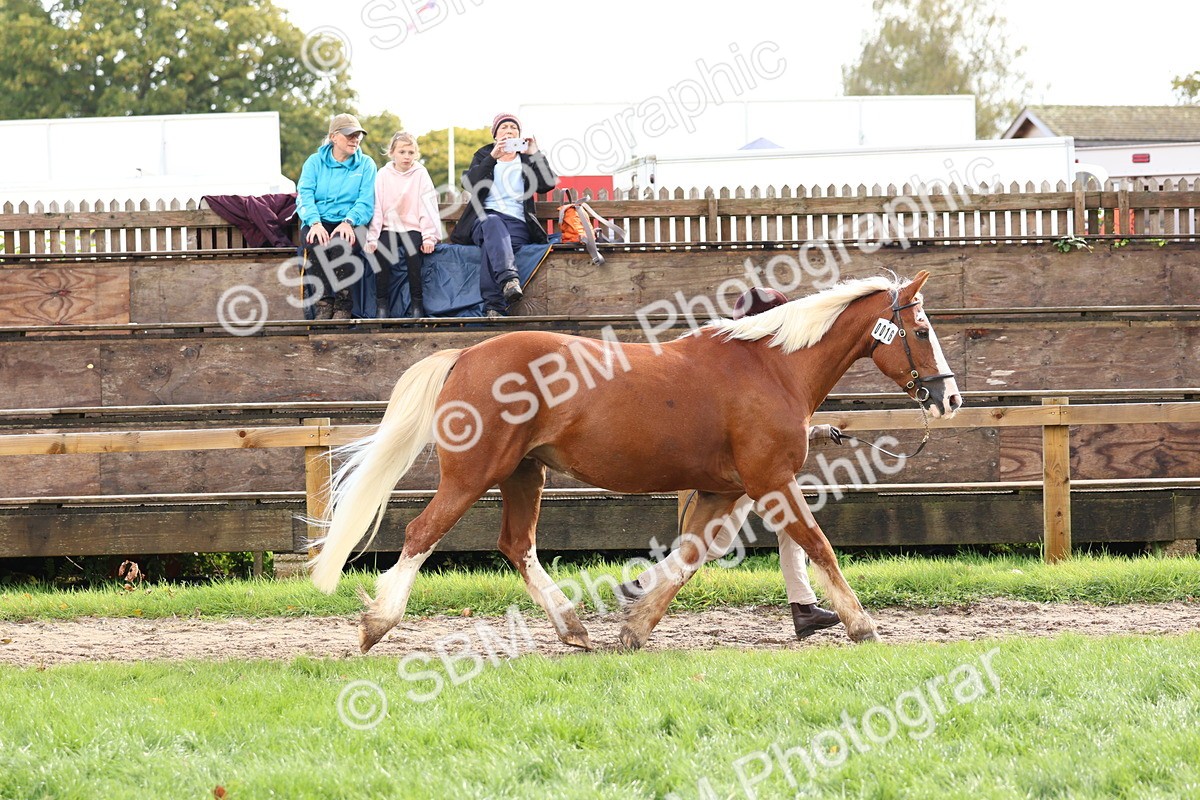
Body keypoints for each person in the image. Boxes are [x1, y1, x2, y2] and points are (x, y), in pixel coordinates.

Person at [616, 285, 843, 640]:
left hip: (751, 471)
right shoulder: (740, 363)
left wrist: (818, 430)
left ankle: (803, 607)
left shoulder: (752, 366)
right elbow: (754, 430)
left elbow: (768, 429)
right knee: (716, 546)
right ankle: (642, 584)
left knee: (790, 530)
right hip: (736, 476)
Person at [449, 112, 557, 319]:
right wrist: (492, 158)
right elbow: (470, 184)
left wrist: (535, 153)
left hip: (517, 222)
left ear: (519, 135)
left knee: (493, 248)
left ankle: (494, 307)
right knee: (492, 222)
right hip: (483, 220)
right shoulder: (484, 155)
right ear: (495, 135)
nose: (509, 131)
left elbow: (547, 184)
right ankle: (509, 279)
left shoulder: (526, 158)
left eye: (513, 128)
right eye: (504, 128)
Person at [296, 113, 376, 320]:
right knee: (315, 241)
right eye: (350, 135)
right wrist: (314, 222)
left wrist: (349, 222)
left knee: (343, 242)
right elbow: (304, 195)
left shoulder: (366, 164)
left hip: (351, 221)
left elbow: (366, 200)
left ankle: (343, 306)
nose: (355, 139)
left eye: (358, 135)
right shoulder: (314, 162)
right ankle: (323, 305)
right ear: (333, 137)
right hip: (318, 220)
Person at [364, 132, 441, 318]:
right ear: (392, 153)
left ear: (416, 154)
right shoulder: (383, 174)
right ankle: (382, 305)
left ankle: (417, 304)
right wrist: (372, 237)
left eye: (411, 152)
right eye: (402, 152)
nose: (407, 156)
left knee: (413, 255)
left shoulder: (421, 174)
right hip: (389, 227)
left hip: (412, 227)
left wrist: (429, 236)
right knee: (381, 253)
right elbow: (377, 207)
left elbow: (428, 205)